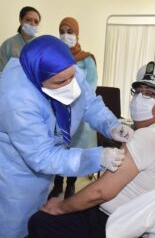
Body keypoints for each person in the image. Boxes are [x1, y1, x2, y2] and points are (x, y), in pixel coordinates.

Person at [0, 35, 134, 238]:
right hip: (11, 171)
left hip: (41, 163)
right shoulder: (18, 99)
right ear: (37, 78)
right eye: (60, 82)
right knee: (8, 228)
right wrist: (97, 157)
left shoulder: (65, 69)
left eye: (72, 77)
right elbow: (42, 156)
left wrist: (111, 126)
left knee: (37, 220)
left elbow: (90, 103)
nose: (70, 85)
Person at [28, 62, 155, 238]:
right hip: (126, 220)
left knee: (40, 221)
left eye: (149, 94)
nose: (140, 98)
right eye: (138, 91)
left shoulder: (148, 137)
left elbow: (101, 192)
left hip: (112, 224)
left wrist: (61, 207)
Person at [50, 17, 98, 199]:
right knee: (58, 149)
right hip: (58, 111)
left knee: (74, 152)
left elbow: (91, 85)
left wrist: (73, 99)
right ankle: (57, 184)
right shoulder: (55, 56)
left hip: (79, 113)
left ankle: (70, 185)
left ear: (77, 34)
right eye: (62, 31)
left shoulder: (87, 60)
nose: (65, 35)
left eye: (69, 31)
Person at [0, 6, 41, 83]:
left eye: (36, 22)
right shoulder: (8, 45)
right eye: (28, 20)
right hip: (11, 91)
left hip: (34, 92)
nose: (32, 24)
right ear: (20, 20)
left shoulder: (41, 46)